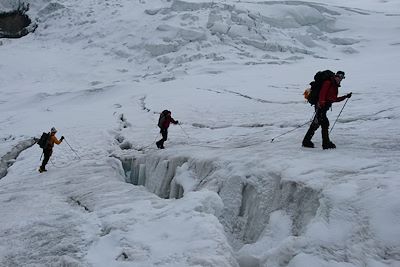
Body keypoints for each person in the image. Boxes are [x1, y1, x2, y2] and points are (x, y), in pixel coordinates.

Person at [302, 71, 352, 149]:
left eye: (342, 78)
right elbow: (322, 93)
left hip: (323, 107)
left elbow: (333, 99)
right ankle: (326, 144)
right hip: (321, 107)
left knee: (316, 124)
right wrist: (321, 104)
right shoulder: (328, 83)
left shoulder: (334, 85)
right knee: (325, 123)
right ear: (336, 76)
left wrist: (345, 97)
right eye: (339, 77)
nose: (340, 79)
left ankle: (306, 141)